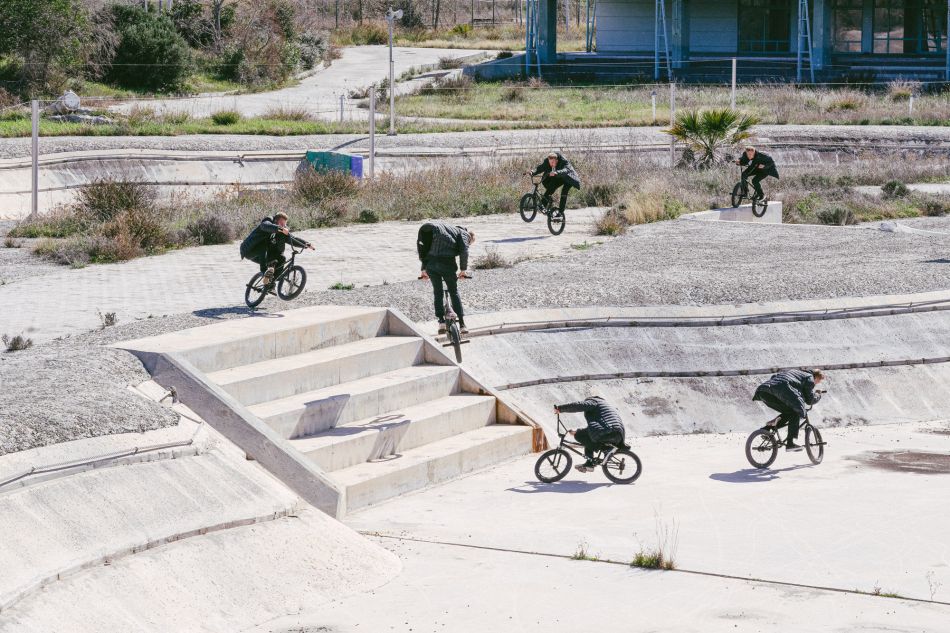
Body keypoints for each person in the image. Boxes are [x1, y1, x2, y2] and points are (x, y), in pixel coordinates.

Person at [417, 221, 475, 335]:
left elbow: (424, 249)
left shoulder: (448, 230)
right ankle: (462, 325)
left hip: (431, 263)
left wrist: (423, 270)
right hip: (446, 263)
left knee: (437, 292)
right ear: (471, 237)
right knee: (453, 291)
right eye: (471, 242)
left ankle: (441, 322)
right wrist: (463, 271)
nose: (469, 243)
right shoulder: (464, 233)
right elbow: (464, 250)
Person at [753, 369, 825, 451]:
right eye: (818, 381)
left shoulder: (794, 372)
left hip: (764, 391)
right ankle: (790, 444)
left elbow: (775, 377)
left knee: (789, 412)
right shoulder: (809, 378)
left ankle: (766, 429)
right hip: (781, 390)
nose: (816, 384)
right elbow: (810, 400)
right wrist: (818, 394)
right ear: (816, 377)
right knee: (796, 412)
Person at [554, 394, 626, 473]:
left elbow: (579, 405)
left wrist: (560, 409)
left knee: (580, 435)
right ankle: (590, 463)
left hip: (608, 431)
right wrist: (577, 431)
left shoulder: (594, 402)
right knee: (587, 436)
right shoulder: (604, 406)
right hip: (618, 434)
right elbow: (596, 427)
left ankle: (604, 451)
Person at [240, 212, 314, 284]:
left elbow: (293, 239)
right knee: (263, 246)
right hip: (249, 249)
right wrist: (280, 229)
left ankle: (271, 283)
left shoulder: (281, 232)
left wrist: (306, 244)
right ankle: (264, 272)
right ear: (275, 220)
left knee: (281, 258)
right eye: (282, 224)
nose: (283, 226)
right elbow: (266, 226)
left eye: (284, 224)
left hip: (262, 254)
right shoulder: (268, 220)